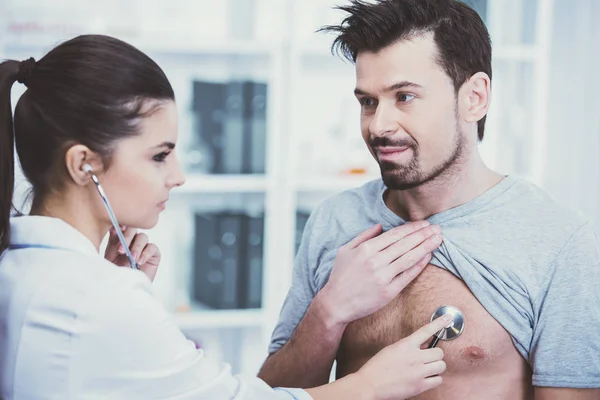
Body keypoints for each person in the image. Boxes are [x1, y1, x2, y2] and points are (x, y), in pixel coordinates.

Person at [0, 34, 453, 400]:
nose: (177, 177)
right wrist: (371, 386)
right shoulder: (95, 297)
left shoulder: (27, 270)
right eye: (159, 156)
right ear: (83, 165)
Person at [258, 0, 600, 398]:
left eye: (404, 97)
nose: (379, 126)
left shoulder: (558, 240)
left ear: (474, 98)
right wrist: (329, 311)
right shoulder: (335, 220)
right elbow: (269, 393)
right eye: (368, 101)